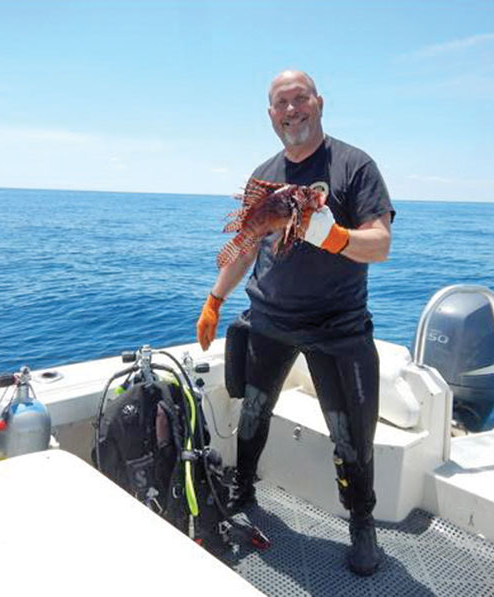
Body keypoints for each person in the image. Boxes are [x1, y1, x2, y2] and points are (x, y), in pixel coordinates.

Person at [196, 70, 394, 577]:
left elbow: (381, 245)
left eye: (299, 99)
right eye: (281, 103)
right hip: (269, 319)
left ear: (319, 103)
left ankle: (362, 523)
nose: (291, 110)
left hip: (339, 328)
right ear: (270, 116)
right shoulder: (262, 175)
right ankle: (243, 488)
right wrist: (215, 299)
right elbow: (244, 247)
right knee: (253, 416)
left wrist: (336, 237)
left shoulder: (355, 166)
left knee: (352, 436)